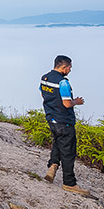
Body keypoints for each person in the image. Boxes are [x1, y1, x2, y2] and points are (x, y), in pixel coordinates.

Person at [40, 55, 88, 195]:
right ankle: (69, 183)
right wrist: (76, 102)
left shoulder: (45, 78)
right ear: (63, 67)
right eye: (70, 67)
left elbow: (43, 95)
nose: (70, 70)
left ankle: (53, 166)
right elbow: (67, 103)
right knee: (68, 152)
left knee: (57, 142)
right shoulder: (63, 83)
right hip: (64, 121)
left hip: (51, 118)